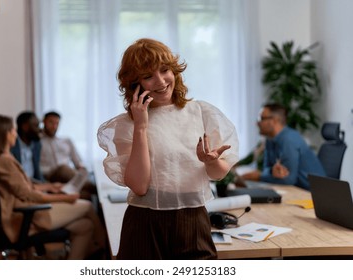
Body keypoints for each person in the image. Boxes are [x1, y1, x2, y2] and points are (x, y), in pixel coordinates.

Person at [97, 38, 239, 259]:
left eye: (165, 70)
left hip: (194, 220)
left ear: (175, 71)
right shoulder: (126, 125)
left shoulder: (201, 112)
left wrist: (211, 161)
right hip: (145, 223)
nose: (161, 81)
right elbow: (139, 186)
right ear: (136, 84)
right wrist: (141, 126)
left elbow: (219, 174)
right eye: (148, 76)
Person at [0, 115, 99, 260]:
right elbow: (28, 194)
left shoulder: (6, 158)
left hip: (32, 209)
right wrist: (65, 198)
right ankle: (108, 252)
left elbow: (25, 186)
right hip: (29, 216)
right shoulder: (4, 161)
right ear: (5, 134)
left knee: (85, 226)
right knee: (88, 206)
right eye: (12, 130)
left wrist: (51, 186)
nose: (15, 133)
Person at [239, 103, 326, 190]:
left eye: (261, 118)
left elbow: (288, 180)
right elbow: (265, 169)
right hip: (294, 190)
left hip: (313, 194)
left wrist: (259, 176)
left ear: (274, 121)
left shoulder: (289, 140)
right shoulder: (269, 139)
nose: (257, 123)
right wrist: (270, 172)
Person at [40, 111, 97, 201]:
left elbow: (78, 162)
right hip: (51, 177)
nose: (54, 126)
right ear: (43, 122)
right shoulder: (37, 142)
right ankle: (96, 188)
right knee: (62, 168)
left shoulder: (66, 141)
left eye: (57, 123)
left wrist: (81, 168)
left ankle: (96, 191)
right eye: (51, 122)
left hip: (68, 177)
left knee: (87, 195)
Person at [10, 111, 44, 182]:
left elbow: (37, 171)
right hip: (20, 184)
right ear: (25, 127)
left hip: (33, 183)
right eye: (36, 126)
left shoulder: (37, 144)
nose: (40, 130)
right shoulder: (12, 145)